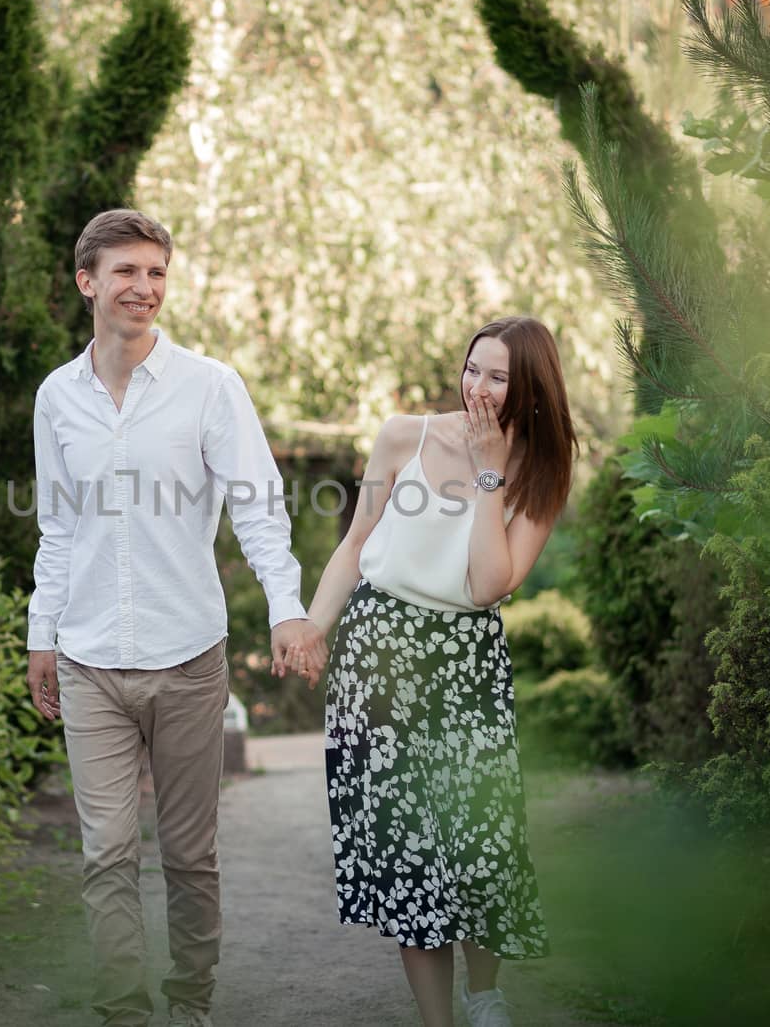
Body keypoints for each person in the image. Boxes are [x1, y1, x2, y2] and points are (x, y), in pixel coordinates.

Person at [25, 209, 327, 1027]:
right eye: (126, 271)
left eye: (156, 272)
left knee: (191, 857)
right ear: (87, 281)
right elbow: (58, 526)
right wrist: (40, 633)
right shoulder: (57, 398)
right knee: (106, 852)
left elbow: (259, 509)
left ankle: (190, 1004)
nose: (144, 287)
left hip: (188, 658)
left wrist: (287, 611)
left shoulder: (210, 387)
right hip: (88, 659)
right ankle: (124, 1010)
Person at [285, 317, 577, 1027]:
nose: (478, 386)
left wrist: (486, 473)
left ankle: (485, 994)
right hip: (379, 657)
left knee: (480, 841)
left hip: (466, 664)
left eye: (499, 375)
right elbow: (357, 543)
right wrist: (313, 625)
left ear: (531, 389)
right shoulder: (401, 436)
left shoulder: (539, 470)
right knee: (409, 852)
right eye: (473, 368)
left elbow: (488, 585)